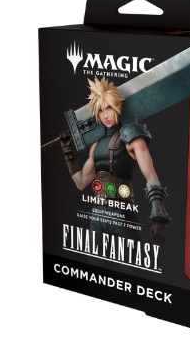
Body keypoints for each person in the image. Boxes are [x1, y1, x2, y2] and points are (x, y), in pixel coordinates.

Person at [60, 77, 171, 243]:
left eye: (109, 107)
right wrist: (68, 152)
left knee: (130, 259)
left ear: (118, 106)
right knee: (93, 258)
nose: (105, 115)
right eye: (100, 110)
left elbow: (151, 176)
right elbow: (81, 182)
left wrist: (158, 217)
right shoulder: (96, 146)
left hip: (123, 213)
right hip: (97, 214)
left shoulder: (132, 138)